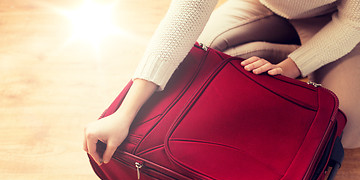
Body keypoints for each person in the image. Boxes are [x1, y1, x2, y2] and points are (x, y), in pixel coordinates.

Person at [84, 0, 360, 165]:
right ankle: (281, 50)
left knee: (349, 130)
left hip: (338, 18)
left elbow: (352, 23)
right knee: (200, 54)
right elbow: (184, 15)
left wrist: (291, 67)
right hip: (268, 5)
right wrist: (125, 113)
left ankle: (297, 56)